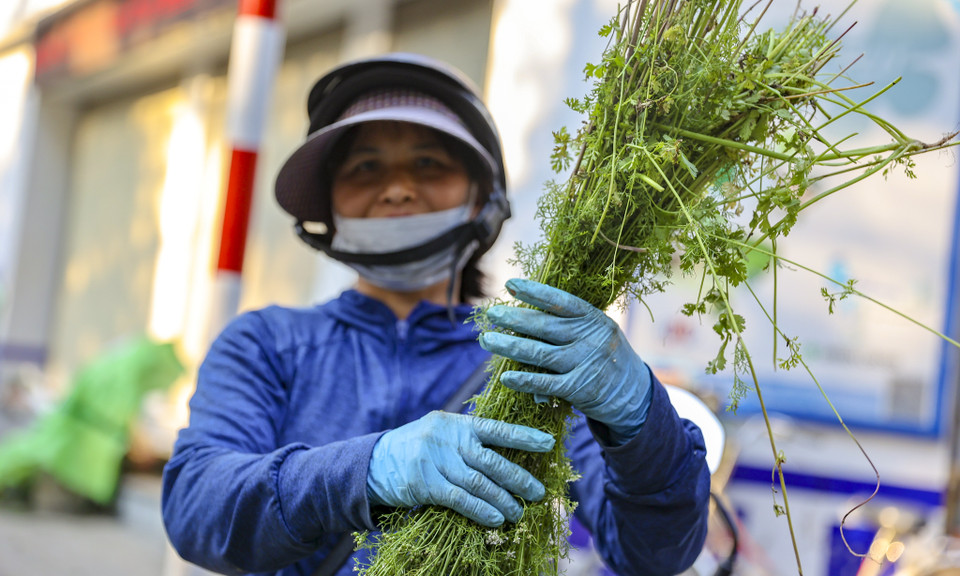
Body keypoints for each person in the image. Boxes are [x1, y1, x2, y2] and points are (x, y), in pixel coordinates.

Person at [161, 53, 711, 576]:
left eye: (429, 163)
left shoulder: (533, 358)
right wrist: (367, 471)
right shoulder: (266, 344)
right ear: (327, 204)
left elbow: (654, 555)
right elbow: (197, 508)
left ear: (480, 199)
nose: (398, 188)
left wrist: (640, 416)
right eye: (364, 167)